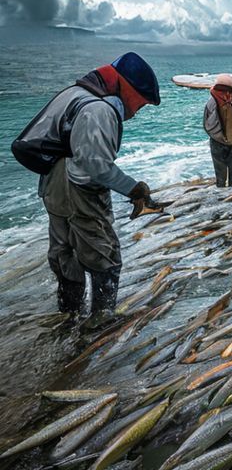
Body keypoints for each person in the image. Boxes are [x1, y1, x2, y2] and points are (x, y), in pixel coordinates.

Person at [11, 52, 162, 321]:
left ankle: (68, 316)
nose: (137, 111)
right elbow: (96, 166)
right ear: (127, 87)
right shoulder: (99, 110)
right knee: (105, 257)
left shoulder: (75, 93)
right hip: (77, 188)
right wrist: (134, 189)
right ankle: (100, 324)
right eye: (141, 103)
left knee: (64, 253)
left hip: (53, 185)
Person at [203, 74, 232, 187]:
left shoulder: (211, 102)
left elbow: (206, 125)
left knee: (220, 175)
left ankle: (221, 194)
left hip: (217, 142)